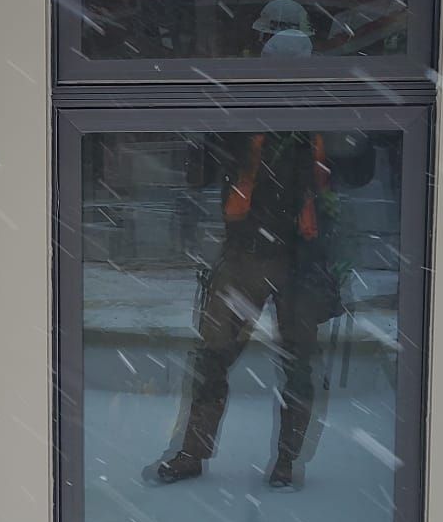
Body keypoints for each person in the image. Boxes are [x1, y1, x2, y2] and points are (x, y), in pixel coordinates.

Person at [146, 128, 375, 490]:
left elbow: (360, 172)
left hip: (298, 261)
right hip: (249, 255)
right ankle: (199, 454)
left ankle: (284, 460)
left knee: (294, 366)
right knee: (214, 360)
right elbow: (198, 173)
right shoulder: (241, 123)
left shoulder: (308, 125)